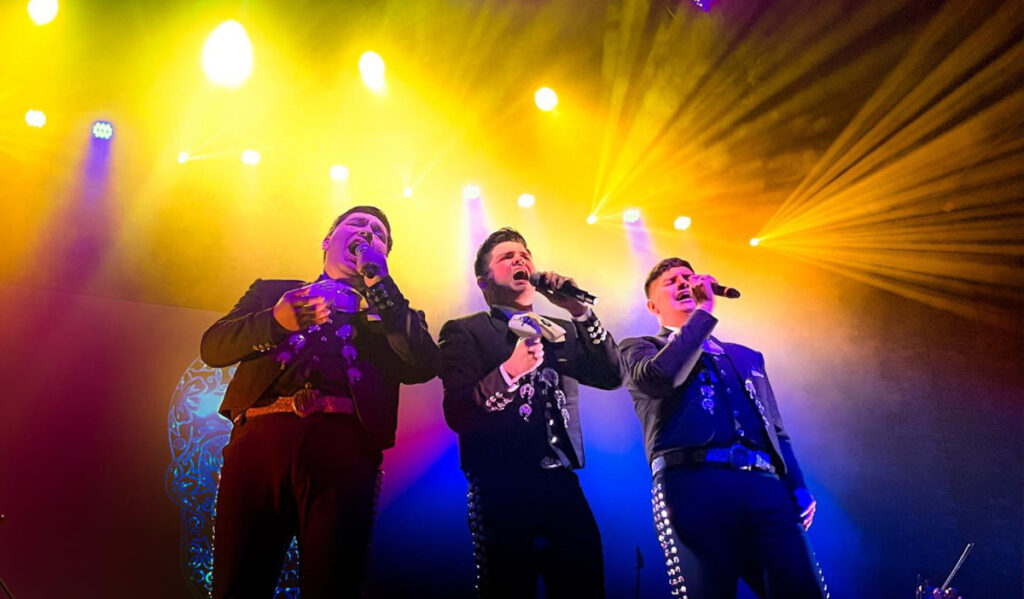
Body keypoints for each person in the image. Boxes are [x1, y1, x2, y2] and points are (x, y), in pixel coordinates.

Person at [200, 205, 440, 598]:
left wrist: (382, 290)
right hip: (259, 441)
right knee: (237, 584)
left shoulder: (394, 312)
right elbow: (213, 347)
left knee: (333, 584)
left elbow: (424, 364)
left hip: (344, 449)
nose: (368, 233)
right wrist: (275, 321)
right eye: (358, 225)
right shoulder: (272, 291)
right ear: (328, 241)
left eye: (379, 233)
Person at [619, 257, 826, 599]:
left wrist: (797, 484)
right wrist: (703, 315)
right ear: (652, 305)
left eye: (688, 276)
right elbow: (661, 380)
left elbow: (775, 429)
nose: (684, 283)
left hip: (763, 484)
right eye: (671, 281)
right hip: (692, 482)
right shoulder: (641, 348)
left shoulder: (746, 357)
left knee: (800, 588)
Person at [439, 227, 623, 598]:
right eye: (507, 257)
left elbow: (612, 375)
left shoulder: (564, 330)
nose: (520, 259)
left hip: (563, 485)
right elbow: (458, 411)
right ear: (484, 281)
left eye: (525, 255)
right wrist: (509, 373)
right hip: (500, 486)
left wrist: (578, 309)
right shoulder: (467, 331)